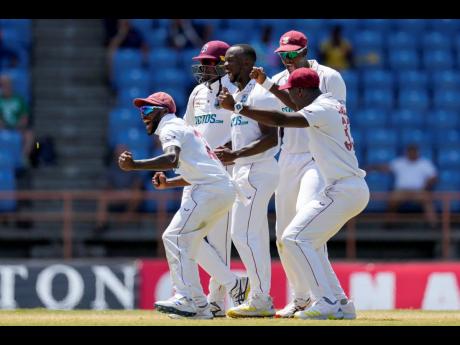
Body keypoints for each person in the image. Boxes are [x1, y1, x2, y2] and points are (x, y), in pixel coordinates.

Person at [218, 67, 369, 320]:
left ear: (301, 90)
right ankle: (340, 301)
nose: (291, 99)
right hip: (346, 187)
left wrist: (238, 108)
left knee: (295, 238)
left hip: (343, 188)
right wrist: (267, 84)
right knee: (304, 239)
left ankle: (326, 302)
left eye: (292, 93)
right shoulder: (328, 102)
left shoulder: (321, 109)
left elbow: (282, 119)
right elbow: (290, 107)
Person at [252, 30, 355, 318]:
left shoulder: (329, 77)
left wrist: (267, 87)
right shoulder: (284, 79)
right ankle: (301, 298)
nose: (287, 59)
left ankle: (324, 298)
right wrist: (267, 85)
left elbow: (304, 111)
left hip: (315, 160)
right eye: (283, 54)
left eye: (292, 53)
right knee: (284, 236)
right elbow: (281, 111)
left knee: (305, 230)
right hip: (288, 157)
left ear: (306, 50)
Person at [119, 91, 248, 319]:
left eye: (148, 110)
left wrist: (134, 165)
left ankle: (184, 297)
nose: (143, 116)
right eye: (141, 110)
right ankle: (202, 304)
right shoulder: (183, 128)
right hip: (218, 188)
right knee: (190, 243)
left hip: (211, 190)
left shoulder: (170, 128)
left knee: (174, 237)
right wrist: (168, 183)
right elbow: (198, 170)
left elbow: (171, 159)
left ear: (163, 111)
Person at [214, 44, 280, 317]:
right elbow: (245, 135)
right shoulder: (239, 95)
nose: (225, 66)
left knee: (241, 234)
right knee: (253, 236)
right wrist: (226, 151)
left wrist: (235, 154)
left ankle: (261, 299)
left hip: (257, 169)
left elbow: (271, 138)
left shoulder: (260, 95)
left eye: (230, 61)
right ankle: (260, 296)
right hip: (246, 168)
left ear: (246, 64)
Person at [183, 40, 246, 317]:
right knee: (186, 234)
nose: (203, 67)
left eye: (209, 62)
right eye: (202, 62)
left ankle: (216, 301)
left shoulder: (238, 90)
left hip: (226, 172)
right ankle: (231, 286)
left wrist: (233, 150)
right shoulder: (197, 92)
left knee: (217, 240)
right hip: (197, 172)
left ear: (224, 63)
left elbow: (248, 127)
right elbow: (188, 130)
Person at [367, 144, 438, 228]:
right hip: (401, 191)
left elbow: (434, 177)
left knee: (427, 201)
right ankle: (389, 223)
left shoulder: (425, 163)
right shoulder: (399, 162)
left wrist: (427, 184)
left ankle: (433, 225)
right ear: (407, 152)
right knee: (392, 200)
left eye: (414, 152)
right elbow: (386, 168)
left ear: (417, 152)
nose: (412, 153)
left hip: (418, 191)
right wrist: (373, 167)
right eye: (410, 152)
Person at [0, 74, 34, 168]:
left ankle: (23, 157)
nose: (5, 87)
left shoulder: (19, 99)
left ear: (11, 85)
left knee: (30, 135)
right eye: (2, 85)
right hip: (2, 128)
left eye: (7, 84)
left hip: (17, 127)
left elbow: (25, 117)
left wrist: (18, 125)